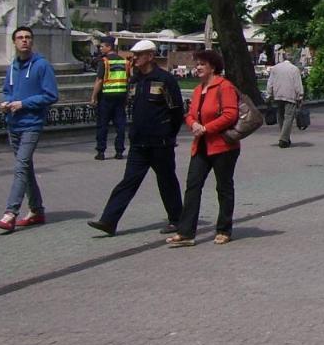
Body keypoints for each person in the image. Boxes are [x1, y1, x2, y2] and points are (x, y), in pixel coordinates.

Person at [87, 40, 184, 237]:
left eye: (138, 55)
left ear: (149, 56)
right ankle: (109, 221)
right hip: (139, 143)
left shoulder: (165, 80)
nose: (134, 59)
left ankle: (177, 220)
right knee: (128, 182)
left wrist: (169, 134)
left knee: (167, 181)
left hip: (160, 143)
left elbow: (176, 111)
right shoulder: (136, 80)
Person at [167, 50, 240, 247]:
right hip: (201, 145)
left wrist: (207, 128)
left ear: (213, 67)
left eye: (201, 64)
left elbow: (230, 115)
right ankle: (186, 232)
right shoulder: (199, 89)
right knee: (193, 185)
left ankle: (224, 229)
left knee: (223, 187)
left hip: (223, 146)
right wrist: (193, 125)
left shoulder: (224, 87)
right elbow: (190, 114)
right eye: (197, 64)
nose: (197, 67)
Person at [0, 26, 58, 232]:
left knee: (21, 166)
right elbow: (7, 91)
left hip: (32, 123)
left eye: (28, 37)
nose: (24, 41)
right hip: (13, 123)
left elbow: (51, 95)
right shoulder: (12, 66)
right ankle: (36, 210)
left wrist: (24, 103)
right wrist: (6, 102)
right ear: (14, 42)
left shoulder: (42, 65)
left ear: (32, 41)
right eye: (20, 38)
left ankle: (10, 212)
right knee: (26, 168)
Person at [90, 36, 128, 160]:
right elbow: (128, 79)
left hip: (106, 97)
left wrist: (93, 97)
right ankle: (119, 151)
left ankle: (101, 152)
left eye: (102, 46)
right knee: (120, 126)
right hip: (121, 97)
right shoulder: (124, 62)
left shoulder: (105, 62)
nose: (100, 48)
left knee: (102, 125)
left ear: (109, 47)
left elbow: (99, 81)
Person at [265, 52, 305, 148]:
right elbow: (297, 84)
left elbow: (270, 82)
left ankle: (285, 137)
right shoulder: (294, 69)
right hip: (290, 95)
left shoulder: (275, 68)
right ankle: (283, 139)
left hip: (278, 94)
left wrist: (269, 94)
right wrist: (300, 96)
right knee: (288, 117)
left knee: (280, 116)